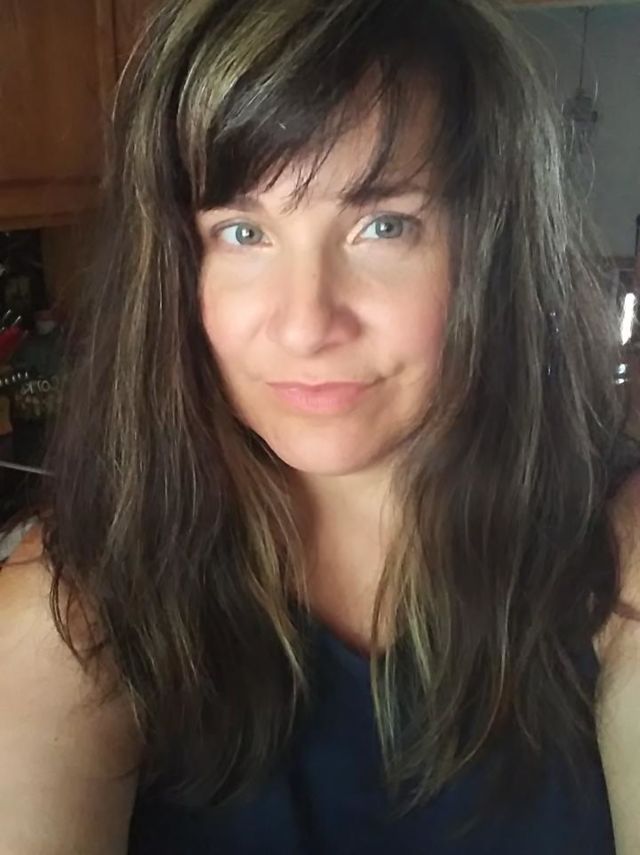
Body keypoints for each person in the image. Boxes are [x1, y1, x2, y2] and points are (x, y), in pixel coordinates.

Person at [1, 0, 639, 851]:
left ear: (492, 252)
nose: (306, 324)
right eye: (243, 232)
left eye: (384, 226)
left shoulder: (618, 554)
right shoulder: (68, 605)